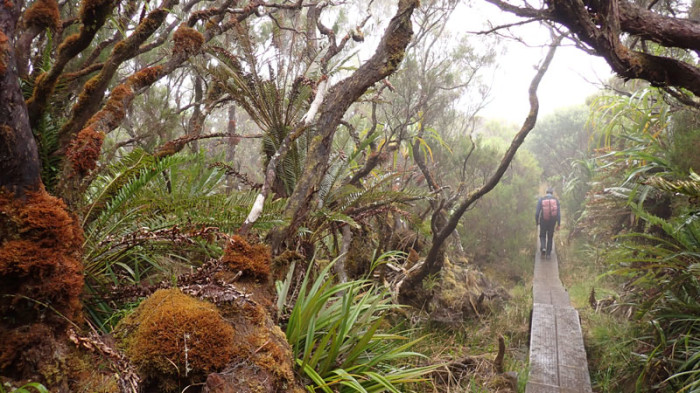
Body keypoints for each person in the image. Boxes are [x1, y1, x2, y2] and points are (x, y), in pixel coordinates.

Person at [535, 187, 560, 258]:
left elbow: (537, 213)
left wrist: (537, 222)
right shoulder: (556, 200)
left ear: (546, 192)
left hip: (543, 220)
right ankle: (548, 254)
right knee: (550, 236)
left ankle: (543, 247)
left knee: (542, 235)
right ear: (552, 193)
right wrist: (559, 224)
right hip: (553, 221)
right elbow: (558, 214)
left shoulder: (541, 199)